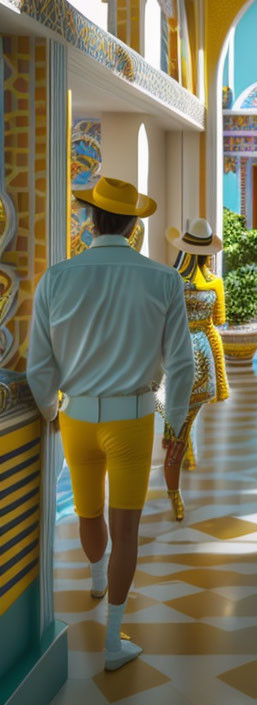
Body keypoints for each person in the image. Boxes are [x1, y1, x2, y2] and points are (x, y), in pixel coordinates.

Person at [27, 177, 194, 671]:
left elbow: (40, 367)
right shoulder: (163, 279)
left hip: (76, 416)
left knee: (87, 513)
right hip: (133, 420)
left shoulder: (56, 278)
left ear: (91, 219)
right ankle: (114, 641)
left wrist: (51, 411)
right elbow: (181, 364)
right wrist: (177, 423)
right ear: (134, 225)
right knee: (127, 528)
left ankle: (97, 578)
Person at [159, 217, 229, 521]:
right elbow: (220, 319)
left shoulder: (168, 279)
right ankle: (177, 481)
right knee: (186, 417)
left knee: (174, 416)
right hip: (202, 352)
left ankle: (175, 487)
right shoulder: (214, 282)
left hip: (172, 352)